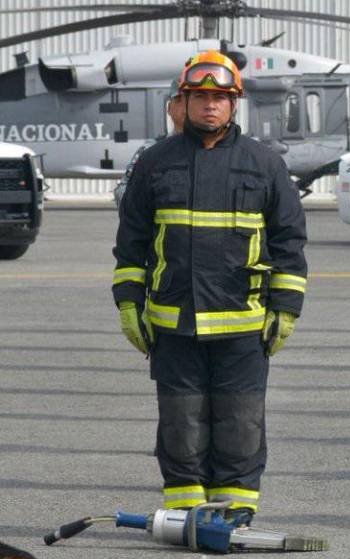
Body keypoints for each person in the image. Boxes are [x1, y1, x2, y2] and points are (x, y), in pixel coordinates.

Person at [113, 50, 307, 523]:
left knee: (240, 420)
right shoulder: (155, 162)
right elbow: (132, 240)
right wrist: (127, 302)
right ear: (183, 100)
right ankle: (184, 508)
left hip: (243, 323)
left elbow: (289, 240)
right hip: (173, 321)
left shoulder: (264, 164)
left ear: (234, 103)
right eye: (200, 97)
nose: (209, 106)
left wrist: (285, 308)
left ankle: (234, 510)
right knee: (181, 421)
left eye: (220, 98)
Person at [113, 80, 185, 206]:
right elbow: (123, 189)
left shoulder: (215, 150)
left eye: (191, 99)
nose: (185, 106)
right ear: (169, 109)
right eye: (179, 100)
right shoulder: (150, 150)